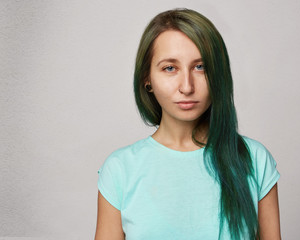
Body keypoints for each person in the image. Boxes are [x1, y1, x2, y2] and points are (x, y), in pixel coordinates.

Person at [95, 8, 281, 240]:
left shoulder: (254, 160)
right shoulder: (120, 170)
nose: (187, 86)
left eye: (200, 67)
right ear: (147, 78)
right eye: (170, 68)